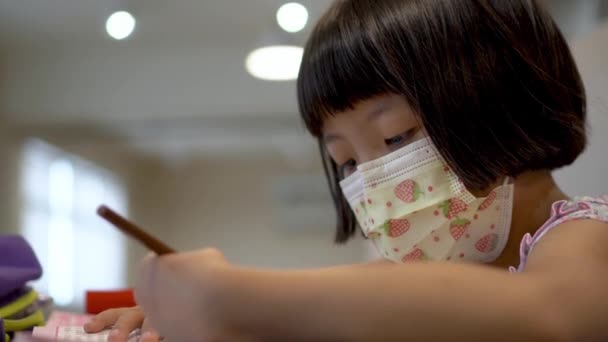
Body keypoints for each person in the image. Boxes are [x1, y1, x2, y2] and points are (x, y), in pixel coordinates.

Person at [84, 0, 608, 340]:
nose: (374, 180)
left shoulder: (585, 236)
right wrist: (190, 312)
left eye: (398, 136)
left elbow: (552, 315)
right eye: (347, 162)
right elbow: (334, 298)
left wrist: (230, 295)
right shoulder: (440, 272)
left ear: (505, 103)